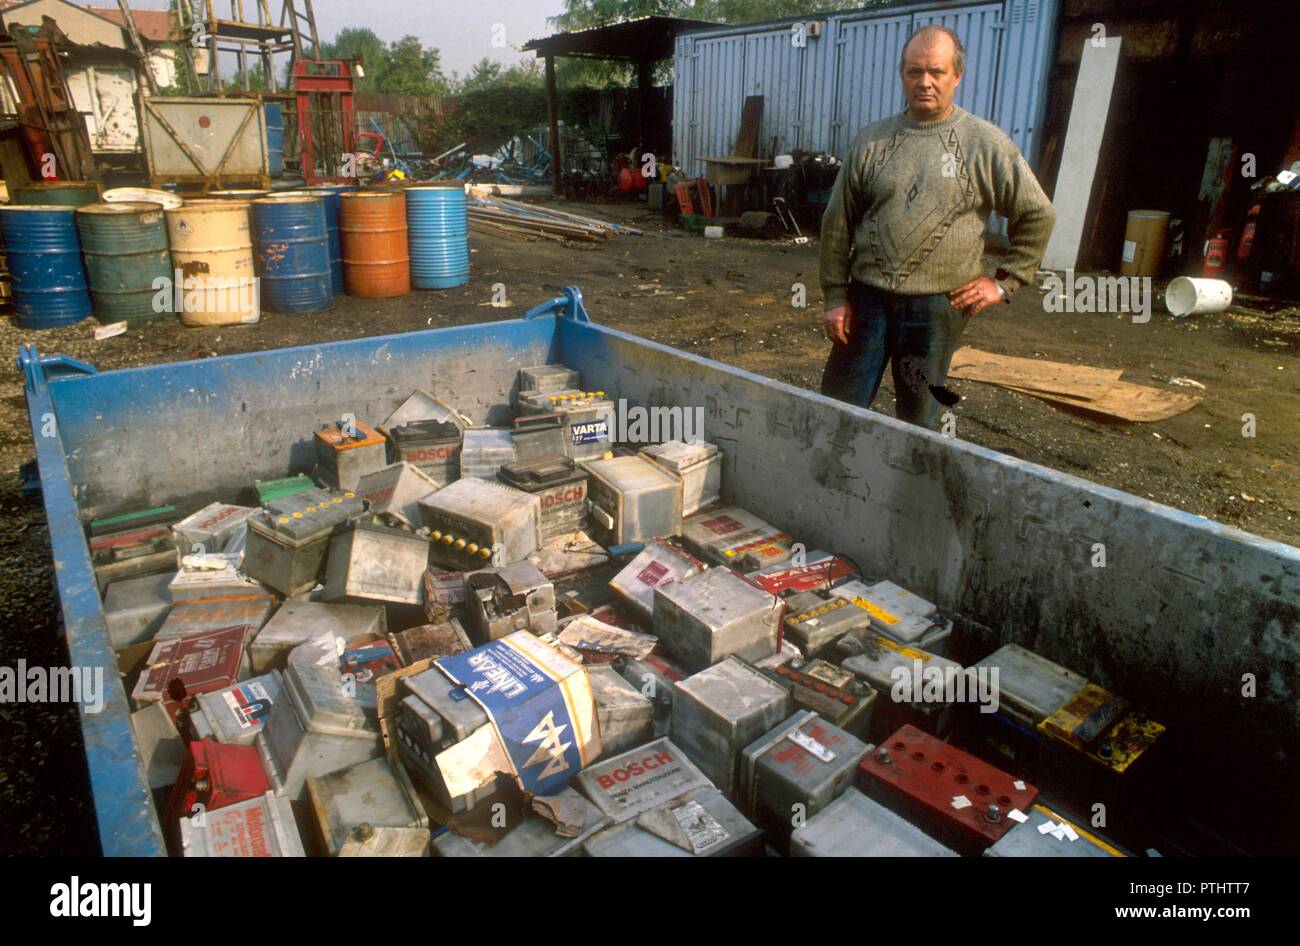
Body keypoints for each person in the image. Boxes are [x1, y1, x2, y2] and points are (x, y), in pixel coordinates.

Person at [818, 25, 1056, 428]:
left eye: (936, 71)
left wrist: (1005, 281)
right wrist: (835, 296)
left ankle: (911, 470)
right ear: (902, 75)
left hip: (938, 309)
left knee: (919, 420)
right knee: (837, 409)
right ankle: (832, 467)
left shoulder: (985, 144)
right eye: (914, 71)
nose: (924, 81)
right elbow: (837, 223)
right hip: (867, 301)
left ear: (957, 75)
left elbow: (1038, 214)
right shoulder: (872, 142)